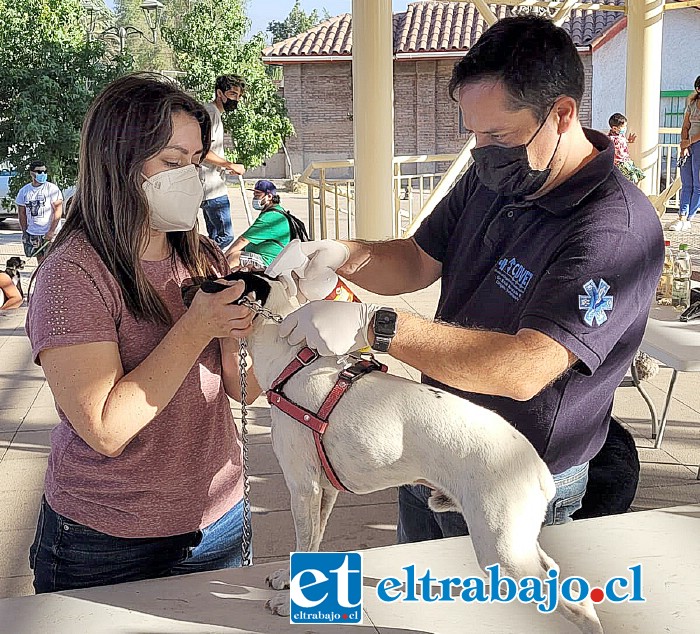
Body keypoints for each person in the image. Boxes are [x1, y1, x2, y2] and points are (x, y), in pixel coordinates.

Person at [266, 16, 664, 542]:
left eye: (496, 134)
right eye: (474, 133)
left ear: (561, 114)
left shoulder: (614, 230)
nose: (482, 151)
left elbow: (525, 367)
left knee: (501, 615)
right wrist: (343, 254)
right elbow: (416, 260)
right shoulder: (493, 173)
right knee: (426, 600)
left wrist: (376, 327)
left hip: (515, 468)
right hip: (431, 441)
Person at [25, 73, 259, 593]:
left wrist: (254, 319)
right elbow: (105, 428)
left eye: (196, 163)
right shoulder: (72, 275)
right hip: (105, 539)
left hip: (216, 518)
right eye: (173, 163)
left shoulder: (198, 253)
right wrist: (197, 326)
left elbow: (245, 388)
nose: (191, 179)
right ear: (118, 161)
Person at [200, 74, 247, 250]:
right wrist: (229, 164)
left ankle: (209, 269)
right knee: (225, 236)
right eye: (233, 94)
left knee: (214, 238)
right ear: (220, 93)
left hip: (211, 185)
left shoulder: (214, 114)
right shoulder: (211, 113)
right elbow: (202, 151)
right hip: (212, 188)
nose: (236, 99)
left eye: (239, 95)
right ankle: (198, 259)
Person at [225, 180, 293, 269]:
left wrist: (223, 258)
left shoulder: (270, 217)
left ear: (269, 196)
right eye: (254, 195)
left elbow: (243, 240)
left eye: (258, 195)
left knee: (235, 257)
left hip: (268, 261)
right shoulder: (277, 211)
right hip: (271, 258)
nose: (255, 198)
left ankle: (220, 280)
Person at [668, 75, 700, 231]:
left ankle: (689, 218)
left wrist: (690, 141)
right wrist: (684, 145)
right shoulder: (692, 104)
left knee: (698, 185)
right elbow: (685, 126)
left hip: (697, 144)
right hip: (689, 145)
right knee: (686, 183)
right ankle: (681, 216)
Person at [15, 160, 63, 263]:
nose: (43, 174)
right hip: (33, 233)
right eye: (39, 172)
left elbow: (58, 210)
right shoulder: (24, 191)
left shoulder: (52, 188)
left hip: (50, 233)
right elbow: (22, 213)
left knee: (52, 262)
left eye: (45, 171)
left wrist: (51, 231)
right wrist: (25, 231)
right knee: (40, 261)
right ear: (32, 173)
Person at [607, 112, 644, 184]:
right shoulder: (611, 138)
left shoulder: (621, 135)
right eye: (623, 127)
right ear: (614, 128)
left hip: (626, 161)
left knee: (639, 175)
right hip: (619, 163)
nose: (625, 128)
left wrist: (628, 141)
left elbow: (620, 143)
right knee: (632, 178)